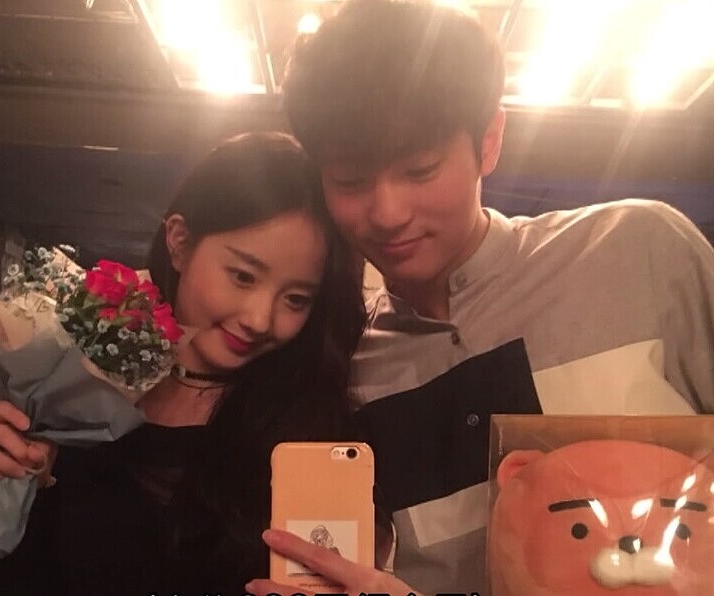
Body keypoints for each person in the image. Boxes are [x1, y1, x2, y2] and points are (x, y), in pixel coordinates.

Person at [247, 1, 714, 595]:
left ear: (489, 140)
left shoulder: (638, 251)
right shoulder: (350, 366)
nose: (387, 212)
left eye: (420, 170)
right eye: (350, 181)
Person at [0, 131, 367, 596]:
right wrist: (0, 482)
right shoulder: (71, 393)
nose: (259, 319)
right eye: (243, 276)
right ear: (180, 243)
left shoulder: (311, 430)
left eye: (296, 299)